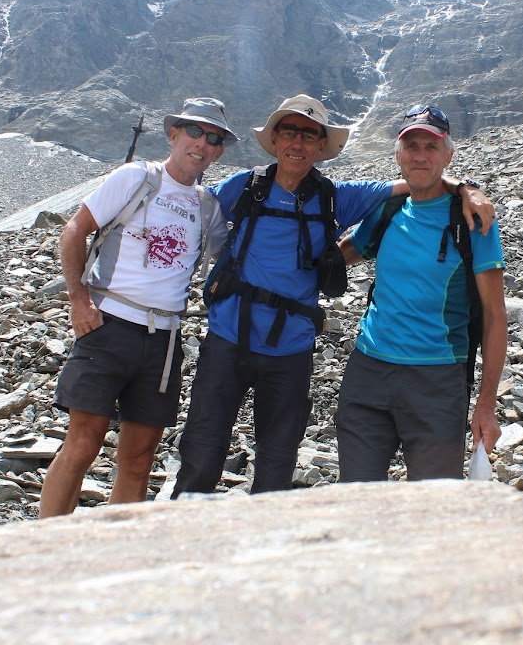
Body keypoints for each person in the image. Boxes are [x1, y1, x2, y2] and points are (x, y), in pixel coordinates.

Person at [173, 94, 494, 496]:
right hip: (227, 340)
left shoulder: (336, 198)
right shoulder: (244, 187)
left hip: (289, 351)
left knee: (277, 464)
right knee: (201, 451)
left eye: (309, 135)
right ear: (274, 139)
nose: (297, 143)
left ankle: (267, 552)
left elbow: (417, 179)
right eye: (289, 132)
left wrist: (467, 188)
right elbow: (185, 205)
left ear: (321, 147)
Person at [40, 97, 237, 518]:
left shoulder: (209, 208)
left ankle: (116, 555)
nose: (202, 143)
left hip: (164, 341)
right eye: (195, 132)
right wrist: (79, 301)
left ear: (219, 151)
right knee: (83, 442)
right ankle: (45, 550)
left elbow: (229, 258)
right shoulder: (136, 177)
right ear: (173, 134)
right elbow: (76, 229)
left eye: (213, 138)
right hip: (108, 324)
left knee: (140, 456)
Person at [336, 103, 506, 482]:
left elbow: (495, 315)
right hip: (368, 371)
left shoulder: (472, 222)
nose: (420, 156)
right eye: (411, 146)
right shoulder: (388, 209)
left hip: (437, 380)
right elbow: (342, 256)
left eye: (431, 147)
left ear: (449, 154)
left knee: (435, 505)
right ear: (398, 155)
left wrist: (486, 404)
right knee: (355, 496)